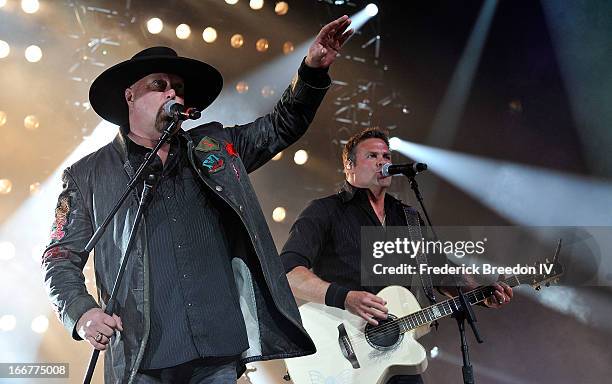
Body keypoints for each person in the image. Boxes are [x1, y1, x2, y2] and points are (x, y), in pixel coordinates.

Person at [41, 15, 353, 384]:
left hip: (217, 350)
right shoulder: (88, 174)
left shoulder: (214, 149)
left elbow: (281, 125)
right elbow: (59, 256)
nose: (173, 93)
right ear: (130, 95)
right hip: (142, 356)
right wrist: (82, 312)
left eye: (178, 87)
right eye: (160, 85)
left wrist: (312, 72)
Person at [280, 127, 513, 384]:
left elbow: (441, 270)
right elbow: (288, 272)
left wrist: (480, 293)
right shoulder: (325, 211)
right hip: (343, 359)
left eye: (387, 156)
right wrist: (345, 297)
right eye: (372, 156)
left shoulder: (407, 217)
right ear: (350, 165)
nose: (382, 161)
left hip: (398, 354)